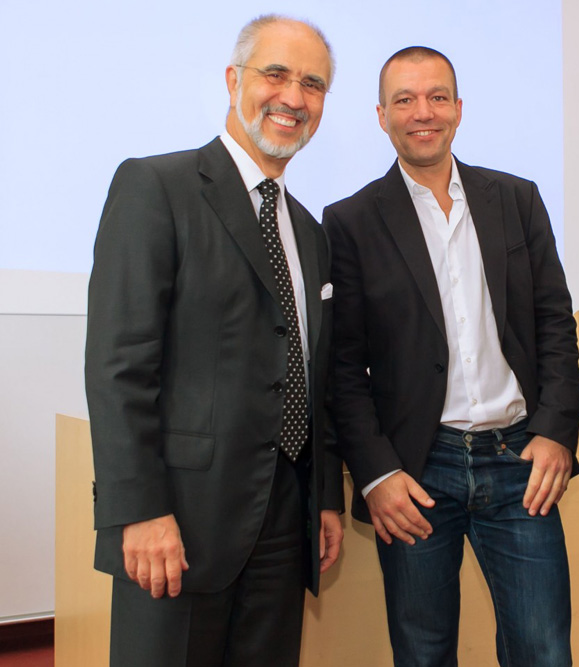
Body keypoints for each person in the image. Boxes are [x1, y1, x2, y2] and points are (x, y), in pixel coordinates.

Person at [85, 15, 343, 667]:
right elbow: (119, 368)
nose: (293, 96)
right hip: (179, 521)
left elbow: (315, 377)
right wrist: (138, 509)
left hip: (285, 525)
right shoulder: (156, 188)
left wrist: (325, 500)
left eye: (312, 84)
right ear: (234, 81)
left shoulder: (311, 233)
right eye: (276, 74)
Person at [323, 46, 579, 667]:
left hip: (519, 461)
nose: (423, 113)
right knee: (423, 652)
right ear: (380, 115)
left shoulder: (516, 200)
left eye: (437, 97)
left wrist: (555, 431)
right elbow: (341, 369)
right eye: (405, 100)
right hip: (417, 472)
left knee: (544, 650)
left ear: (459, 110)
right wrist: (377, 473)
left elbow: (555, 325)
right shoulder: (350, 221)